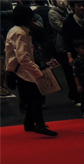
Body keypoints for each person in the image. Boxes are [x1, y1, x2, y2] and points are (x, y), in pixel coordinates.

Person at [5, 5, 56, 135]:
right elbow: (23, 57)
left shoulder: (18, 30)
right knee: (35, 98)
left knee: (32, 98)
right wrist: (37, 72)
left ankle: (29, 124)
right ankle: (39, 124)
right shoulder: (20, 33)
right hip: (22, 70)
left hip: (20, 69)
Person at [48, 0, 81, 103]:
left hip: (75, 45)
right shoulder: (53, 13)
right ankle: (75, 96)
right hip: (63, 46)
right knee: (69, 73)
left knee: (78, 71)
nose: (62, 1)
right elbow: (62, 28)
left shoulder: (69, 10)